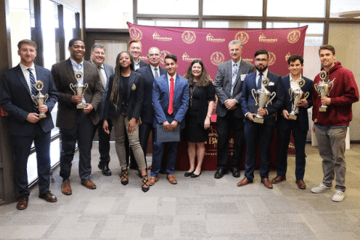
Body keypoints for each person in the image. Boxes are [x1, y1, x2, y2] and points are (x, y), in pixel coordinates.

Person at [0, 39, 58, 210]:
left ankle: (44, 190)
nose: (28, 53)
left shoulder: (45, 73)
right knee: (21, 162)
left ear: (36, 53)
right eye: (25, 50)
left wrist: (47, 106)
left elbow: (54, 94)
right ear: (19, 52)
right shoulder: (9, 75)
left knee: (44, 159)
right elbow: (5, 102)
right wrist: (25, 115)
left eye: (31, 50)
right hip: (21, 126)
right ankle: (23, 195)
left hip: (43, 124)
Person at [51, 38, 102, 195]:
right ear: (70, 48)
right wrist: (70, 98)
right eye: (76, 47)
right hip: (68, 115)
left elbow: (98, 91)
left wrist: (92, 105)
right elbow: (52, 93)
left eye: (82, 47)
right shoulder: (58, 68)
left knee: (86, 149)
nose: (80, 49)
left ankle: (85, 176)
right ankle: (65, 178)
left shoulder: (92, 68)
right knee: (67, 149)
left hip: (87, 116)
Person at [311, 45, 359, 202]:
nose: (324, 57)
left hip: (338, 124)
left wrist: (332, 101)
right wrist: (315, 120)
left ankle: (340, 188)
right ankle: (326, 183)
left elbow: (354, 96)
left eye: (327, 54)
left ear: (334, 56)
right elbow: (316, 101)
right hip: (321, 124)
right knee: (325, 157)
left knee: (338, 158)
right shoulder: (319, 77)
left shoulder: (345, 74)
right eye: (322, 55)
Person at [103, 51, 150, 192]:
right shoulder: (113, 77)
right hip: (116, 115)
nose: (124, 60)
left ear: (130, 61)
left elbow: (140, 99)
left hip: (131, 116)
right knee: (119, 140)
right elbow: (108, 98)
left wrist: (134, 118)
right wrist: (105, 118)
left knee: (134, 143)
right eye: (121, 58)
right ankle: (124, 169)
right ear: (118, 61)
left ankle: (144, 174)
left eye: (126, 58)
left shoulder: (138, 77)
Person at [238, 49, 285, 189]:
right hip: (250, 120)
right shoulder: (248, 78)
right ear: (254, 61)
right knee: (250, 150)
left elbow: (280, 100)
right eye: (258, 59)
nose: (260, 62)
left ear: (268, 61)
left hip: (268, 121)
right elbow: (243, 98)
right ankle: (248, 176)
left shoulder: (276, 78)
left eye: (263, 59)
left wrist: (267, 110)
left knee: (265, 149)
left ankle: (264, 176)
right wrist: (247, 113)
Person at [213, 40, 255, 179]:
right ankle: (221, 167)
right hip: (223, 110)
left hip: (239, 110)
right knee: (222, 140)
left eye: (237, 49)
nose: (234, 52)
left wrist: (235, 100)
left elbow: (248, 88)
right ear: (229, 51)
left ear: (241, 50)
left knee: (239, 140)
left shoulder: (249, 67)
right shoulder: (222, 66)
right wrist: (226, 101)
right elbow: (217, 85)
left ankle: (235, 167)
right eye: (232, 50)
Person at [271, 54, 313, 189]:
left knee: (300, 150)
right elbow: (277, 99)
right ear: (288, 66)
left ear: (302, 65)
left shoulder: (309, 83)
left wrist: (307, 102)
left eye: (297, 65)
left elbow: (313, 101)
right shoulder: (281, 81)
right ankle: (281, 174)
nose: (294, 67)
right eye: (292, 65)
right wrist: (282, 110)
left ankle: (299, 178)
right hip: (285, 119)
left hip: (300, 121)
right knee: (282, 148)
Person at [149, 54, 189, 186]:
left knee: (173, 148)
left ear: (176, 64)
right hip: (162, 121)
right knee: (158, 148)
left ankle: (170, 173)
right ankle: (154, 174)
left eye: (172, 64)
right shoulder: (158, 81)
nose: (170, 66)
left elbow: (185, 103)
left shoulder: (184, 82)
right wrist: (164, 120)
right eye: (167, 64)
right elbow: (155, 102)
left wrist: (176, 120)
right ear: (164, 65)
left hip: (175, 121)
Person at [135, 47, 167, 171]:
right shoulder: (140, 72)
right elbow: (137, 95)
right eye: (151, 55)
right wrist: (137, 114)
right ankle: (141, 169)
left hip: (162, 116)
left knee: (159, 144)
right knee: (142, 143)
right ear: (147, 57)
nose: (154, 57)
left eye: (156, 55)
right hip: (145, 115)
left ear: (160, 57)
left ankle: (157, 168)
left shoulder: (166, 72)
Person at [184, 60, 215, 178]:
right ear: (190, 68)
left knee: (200, 143)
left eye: (198, 67)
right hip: (188, 118)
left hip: (201, 117)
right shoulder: (185, 82)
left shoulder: (207, 83)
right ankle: (191, 167)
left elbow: (211, 101)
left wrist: (208, 117)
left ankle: (198, 167)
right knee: (190, 143)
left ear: (202, 69)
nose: (196, 69)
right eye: (194, 67)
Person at [89, 44, 114, 176]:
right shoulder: (85, 67)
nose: (100, 55)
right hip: (90, 112)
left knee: (105, 140)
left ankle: (104, 163)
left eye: (102, 53)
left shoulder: (110, 69)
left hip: (106, 113)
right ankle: (85, 168)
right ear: (91, 53)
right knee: (87, 141)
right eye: (97, 53)